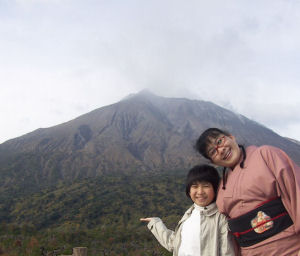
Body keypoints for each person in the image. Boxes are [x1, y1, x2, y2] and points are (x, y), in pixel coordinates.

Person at [195, 127, 300, 256]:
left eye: (219, 141)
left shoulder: (266, 155)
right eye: (213, 152)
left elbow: (296, 192)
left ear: (231, 137)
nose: (221, 150)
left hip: (290, 249)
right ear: (213, 162)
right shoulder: (222, 187)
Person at [140, 164, 235, 256]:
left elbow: (227, 252)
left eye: (206, 186)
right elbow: (174, 243)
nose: (200, 192)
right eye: (195, 186)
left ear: (215, 189)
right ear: (189, 191)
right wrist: (156, 223)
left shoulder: (221, 218)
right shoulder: (189, 214)